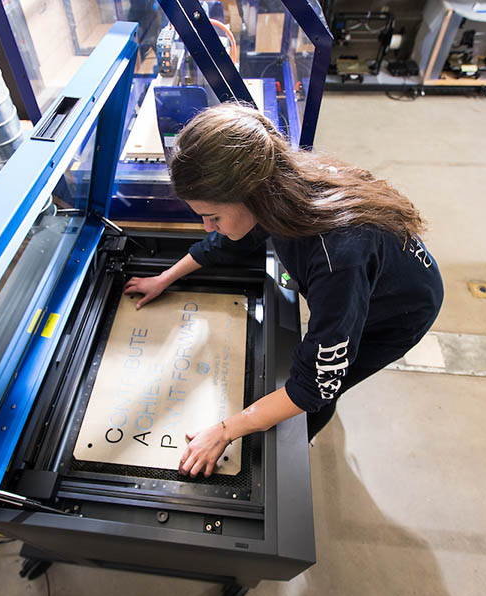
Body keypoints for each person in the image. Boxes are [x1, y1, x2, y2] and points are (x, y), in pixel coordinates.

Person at [123, 103, 444, 478]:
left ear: (248, 194)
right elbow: (230, 242)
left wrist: (226, 430)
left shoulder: (335, 258)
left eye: (213, 216)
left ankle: (303, 443)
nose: (208, 227)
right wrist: (166, 277)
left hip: (397, 313)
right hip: (365, 275)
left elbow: (316, 384)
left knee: (325, 389)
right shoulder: (275, 184)